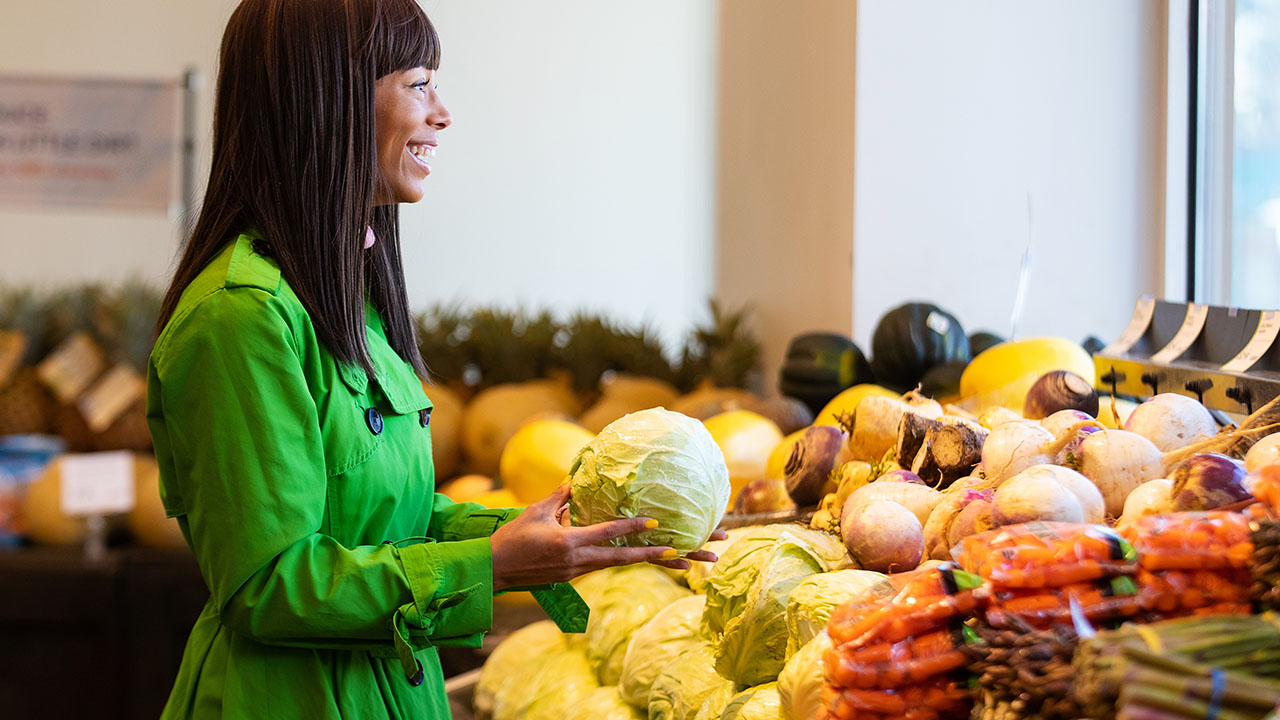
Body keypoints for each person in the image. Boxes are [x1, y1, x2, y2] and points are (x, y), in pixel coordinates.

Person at [146, 1, 720, 717]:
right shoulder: (239, 317)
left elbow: (388, 523)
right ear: (333, 98)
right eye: (419, 85)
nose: (443, 114)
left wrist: (570, 531)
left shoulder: (341, 296)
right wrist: (491, 566)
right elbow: (270, 586)